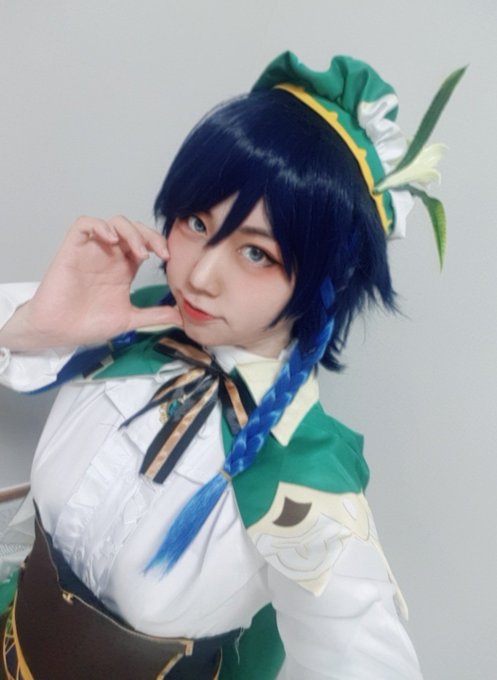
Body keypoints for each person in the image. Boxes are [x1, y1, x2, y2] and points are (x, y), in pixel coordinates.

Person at [0, 52, 463, 679]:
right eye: (196, 222)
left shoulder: (303, 472)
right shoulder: (121, 328)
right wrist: (34, 328)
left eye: (256, 253)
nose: (199, 274)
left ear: (324, 284)